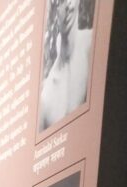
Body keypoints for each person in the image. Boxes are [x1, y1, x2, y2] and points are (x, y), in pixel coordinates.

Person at [39, 0, 93, 131]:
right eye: (62, 1)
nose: (68, 5)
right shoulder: (46, 95)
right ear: (55, 9)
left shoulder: (91, 44)